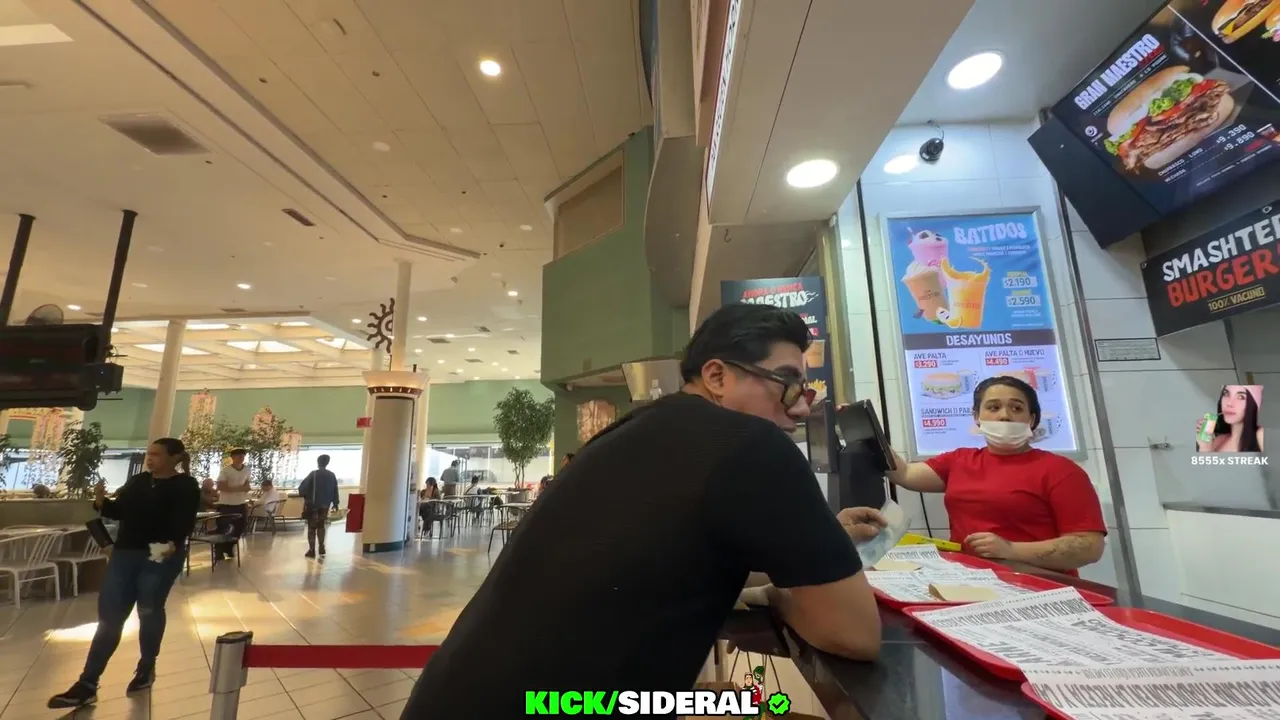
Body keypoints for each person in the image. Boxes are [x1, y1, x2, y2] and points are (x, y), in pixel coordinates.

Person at [402, 303, 885, 717]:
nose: (800, 409)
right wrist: (780, 595)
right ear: (717, 376)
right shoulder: (750, 443)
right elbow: (854, 634)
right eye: (788, 384)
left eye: (806, 391)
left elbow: (669, 556)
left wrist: (821, 539)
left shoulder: (638, 429)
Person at [885, 375, 1106, 575]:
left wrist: (1011, 550)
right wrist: (868, 431)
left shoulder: (1062, 471)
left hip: (1039, 587)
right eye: (993, 407)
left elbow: (1089, 546)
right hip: (969, 580)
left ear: (1031, 419)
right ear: (976, 416)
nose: (1004, 416)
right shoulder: (958, 461)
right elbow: (904, 474)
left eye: (1016, 408)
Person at [48, 438, 200, 709]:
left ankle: (146, 666)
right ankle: (87, 683)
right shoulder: (138, 481)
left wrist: (158, 552)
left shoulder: (185, 486)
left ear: (175, 458)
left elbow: (181, 526)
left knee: (149, 609)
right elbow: (118, 511)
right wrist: (101, 500)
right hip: (125, 553)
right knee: (110, 617)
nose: (150, 458)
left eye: (156, 454)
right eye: (148, 453)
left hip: (161, 552)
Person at [1196, 385, 1264, 453]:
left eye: (1241, 397)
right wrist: (1205, 447)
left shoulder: (1261, 435)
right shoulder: (1218, 440)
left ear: (1253, 405)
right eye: (1226, 394)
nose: (1229, 403)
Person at [297, 454, 340, 558]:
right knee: (321, 525)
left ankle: (312, 550)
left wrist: (305, 496)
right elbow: (335, 489)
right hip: (325, 505)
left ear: (318, 462)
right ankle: (321, 546)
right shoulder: (332, 475)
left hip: (313, 505)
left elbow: (302, 488)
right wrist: (335, 503)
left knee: (312, 527)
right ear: (327, 463)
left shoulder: (313, 474)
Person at [213, 448, 251, 563]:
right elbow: (221, 487)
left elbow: (247, 485)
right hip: (226, 504)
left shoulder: (247, 470)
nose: (241, 458)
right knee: (224, 528)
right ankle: (219, 551)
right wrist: (239, 489)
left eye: (243, 456)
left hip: (241, 503)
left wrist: (238, 489)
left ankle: (229, 549)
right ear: (233, 458)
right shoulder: (226, 471)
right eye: (239, 456)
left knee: (240, 527)